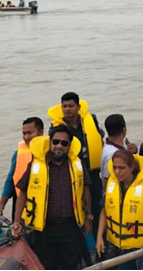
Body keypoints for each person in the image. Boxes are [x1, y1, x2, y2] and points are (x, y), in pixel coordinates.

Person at [11, 125, 93, 270]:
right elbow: (22, 192)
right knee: (46, 265)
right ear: (50, 142)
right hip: (44, 229)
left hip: (69, 227)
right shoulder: (36, 165)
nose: (59, 146)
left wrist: (88, 217)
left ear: (69, 146)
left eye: (64, 143)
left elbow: (86, 189)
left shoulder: (77, 165)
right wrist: (17, 221)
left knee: (71, 264)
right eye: (55, 142)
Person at [95, 149, 143, 270]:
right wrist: (99, 237)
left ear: (131, 167)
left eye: (121, 168)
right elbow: (104, 211)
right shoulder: (113, 184)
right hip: (122, 247)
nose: (117, 172)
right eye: (115, 167)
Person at [48, 92, 105, 238]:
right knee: (75, 212)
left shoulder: (91, 120)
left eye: (71, 106)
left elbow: (100, 140)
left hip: (92, 174)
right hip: (72, 176)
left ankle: (101, 245)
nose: (67, 109)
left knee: (98, 209)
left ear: (78, 107)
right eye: (64, 106)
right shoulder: (57, 127)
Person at [0, 117, 44, 222]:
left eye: (30, 133)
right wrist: (2, 204)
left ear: (41, 132)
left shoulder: (51, 151)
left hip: (43, 201)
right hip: (22, 200)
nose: (27, 137)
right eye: (24, 133)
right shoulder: (18, 154)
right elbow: (10, 180)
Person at [100, 114, 138, 187]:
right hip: (117, 194)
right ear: (124, 130)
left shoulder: (112, 147)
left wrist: (133, 152)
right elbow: (106, 179)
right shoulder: (111, 154)